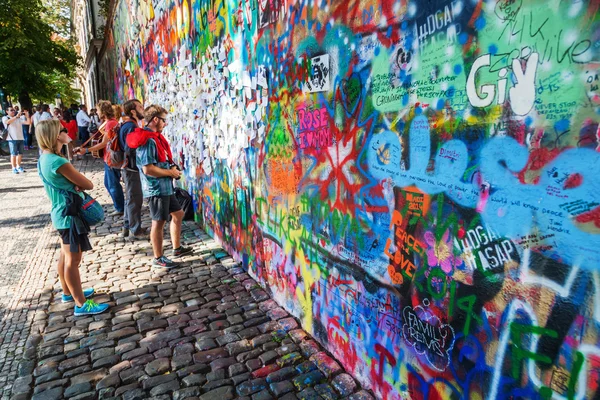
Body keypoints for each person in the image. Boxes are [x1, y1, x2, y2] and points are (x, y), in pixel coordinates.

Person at [36, 120, 109, 316]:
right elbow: (88, 184)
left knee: (64, 255)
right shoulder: (58, 161)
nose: (67, 132)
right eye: (63, 130)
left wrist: (73, 184)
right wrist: (77, 184)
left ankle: (68, 292)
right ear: (55, 135)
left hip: (60, 212)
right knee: (73, 259)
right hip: (69, 215)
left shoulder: (44, 158)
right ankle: (81, 304)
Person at [127, 105, 192, 268]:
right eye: (163, 120)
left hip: (165, 188)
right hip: (156, 189)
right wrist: (170, 173)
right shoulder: (148, 141)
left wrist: (171, 170)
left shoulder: (155, 138)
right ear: (155, 119)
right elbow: (148, 169)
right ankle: (158, 258)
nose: (165, 123)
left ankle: (177, 249)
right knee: (159, 222)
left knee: (177, 214)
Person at [76, 100, 125, 216]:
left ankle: (120, 208)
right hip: (108, 158)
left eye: (98, 110)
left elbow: (104, 143)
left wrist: (87, 150)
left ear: (102, 111)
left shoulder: (110, 123)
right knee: (109, 184)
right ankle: (120, 206)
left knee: (112, 184)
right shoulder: (109, 122)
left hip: (111, 158)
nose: (96, 112)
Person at [119, 99, 148, 239]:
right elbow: (130, 149)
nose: (143, 109)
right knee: (135, 199)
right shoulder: (131, 126)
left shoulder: (129, 125)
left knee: (130, 198)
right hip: (131, 168)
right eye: (140, 107)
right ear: (133, 111)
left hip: (128, 168)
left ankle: (127, 226)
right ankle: (135, 231)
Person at [2, 107, 31, 173]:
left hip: (20, 138)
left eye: (14, 110)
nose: (13, 111)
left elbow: (28, 123)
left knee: (20, 153)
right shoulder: (5, 117)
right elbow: (7, 122)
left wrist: (27, 116)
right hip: (12, 138)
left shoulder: (19, 119)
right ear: (7, 111)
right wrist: (16, 117)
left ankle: (18, 166)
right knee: (13, 153)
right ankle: (13, 167)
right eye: (11, 110)